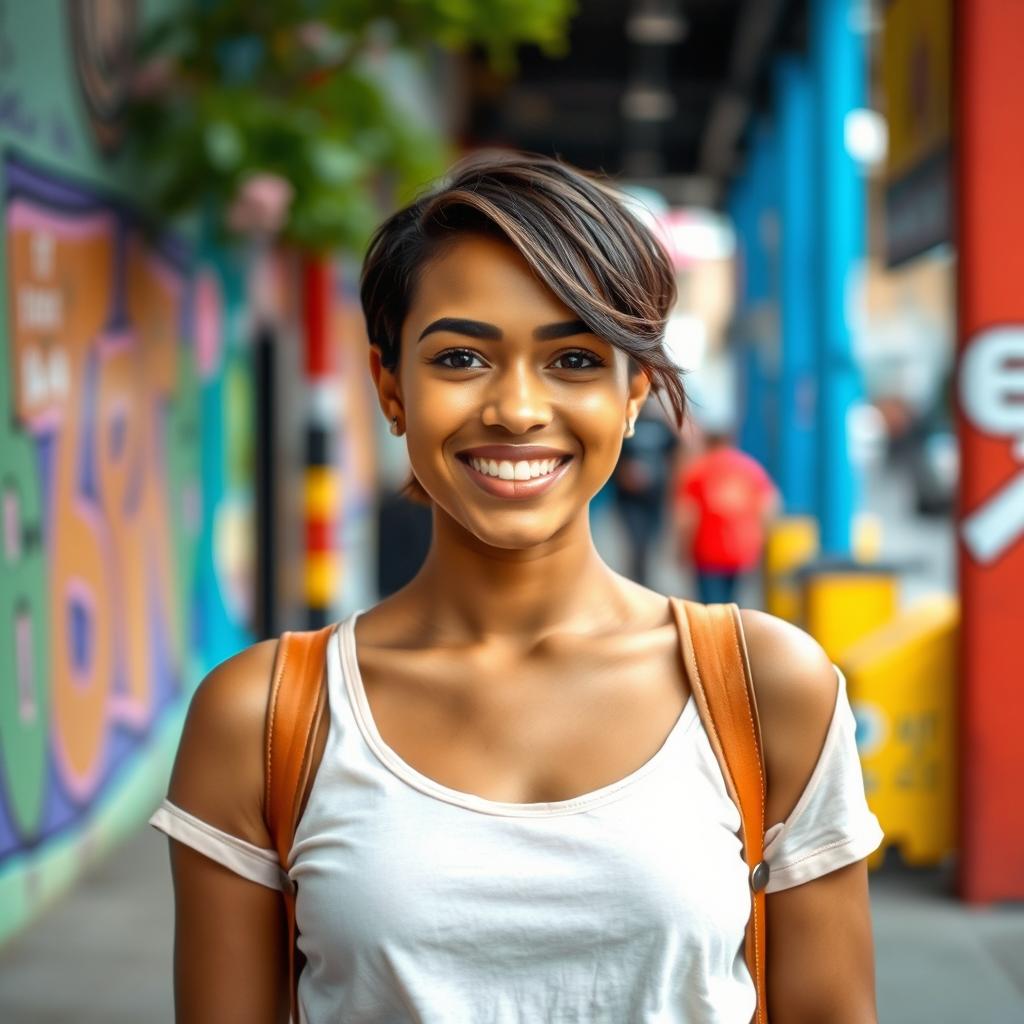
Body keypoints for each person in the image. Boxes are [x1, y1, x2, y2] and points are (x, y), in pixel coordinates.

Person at [150, 153, 882, 1023]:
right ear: (392, 389)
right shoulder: (264, 718)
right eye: (461, 357)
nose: (518, 409)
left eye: (574, 359)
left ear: (634, 391)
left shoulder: (764, 690)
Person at [674, 431, 781, 605]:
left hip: (707, 552)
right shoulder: (750, 467)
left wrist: (682, 549)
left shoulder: (698, 470)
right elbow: (770, 506)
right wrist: (761, 538)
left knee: (711, 607)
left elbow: (686, 516)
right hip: (742, 551)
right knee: (734, 604)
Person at [611, 400, 679, 585]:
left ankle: (641, 577)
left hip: (655, 495)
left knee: (650, 541)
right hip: (629, 497)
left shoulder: (662, 426)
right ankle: (638, 579)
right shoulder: (624, 427)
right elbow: (612, 457)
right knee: (636, 540)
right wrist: (624, 474)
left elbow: (677, 453)